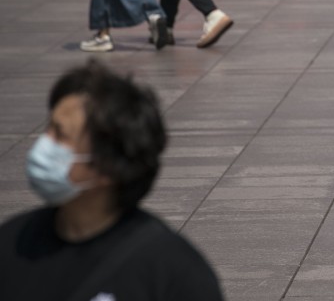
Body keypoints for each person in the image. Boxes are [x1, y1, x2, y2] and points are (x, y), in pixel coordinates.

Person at [0, 60, 224, 300]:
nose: (44, 144)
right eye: (49, 129)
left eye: (61, 135)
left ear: (107, 166)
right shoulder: (11, 243)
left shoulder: (173, 273)